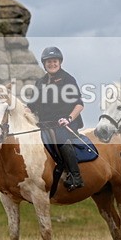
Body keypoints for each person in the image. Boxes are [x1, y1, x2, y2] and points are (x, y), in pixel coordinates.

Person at [26, 46, 85, 191]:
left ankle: (76, 176)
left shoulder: (68, 79)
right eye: (49, 62)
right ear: (44, 64)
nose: (52, 64)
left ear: (60, 62)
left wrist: (69, 119)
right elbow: (31, 106)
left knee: (60, 138)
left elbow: (79, 104)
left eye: (54, 61)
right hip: (44, 124)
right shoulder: (40, 82)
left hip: (65, 124)